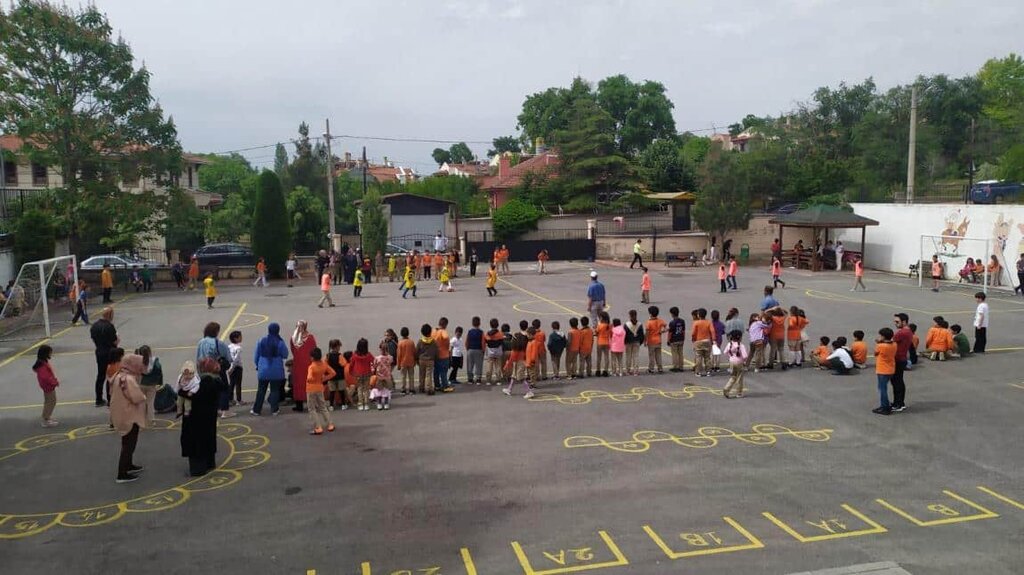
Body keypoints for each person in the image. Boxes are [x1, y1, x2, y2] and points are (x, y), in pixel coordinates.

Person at [180, 357, 221, 476]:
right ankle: (209, 462)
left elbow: (186, 394)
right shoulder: (216, 381)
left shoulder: (199, 384)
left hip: (195, 418)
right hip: (209, 416)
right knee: (208, 439)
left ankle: (197, 468)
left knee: (195, 443)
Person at [110, 352, 147, 483]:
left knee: (127, 442)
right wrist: (143, 397)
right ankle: (122, 473)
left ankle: (128, 465)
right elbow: (136, 397)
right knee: (129, 444)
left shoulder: (118, 375)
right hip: (129, 415)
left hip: (121, 414)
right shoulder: (128, 379)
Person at [196, 321, 233, 418]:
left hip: (204, 370)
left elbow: (198, 357)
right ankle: (225, 410)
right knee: (223, 388)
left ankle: (213, 409)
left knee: (210, 390)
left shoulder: (201, 342)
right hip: (216, 370)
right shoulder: (218, 343)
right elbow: (228, 357)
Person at [252, 323, 288, 416]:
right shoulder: (280, 342)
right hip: (276, 370)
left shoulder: (261, 341)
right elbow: (285, 355)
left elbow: (256, 356)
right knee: (275, 390)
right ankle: (274, 409)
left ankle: (256, 410)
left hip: (263, 370)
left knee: (261, 390)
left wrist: (258, 365)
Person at [90, 307, 119, 406]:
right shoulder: (110, 326)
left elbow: (93, 339)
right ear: (110, 315)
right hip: (110, 352)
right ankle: (110, 398)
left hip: (99, 351)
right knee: (110, 375)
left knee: (100, 375)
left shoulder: (94, 326)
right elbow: (115, 341)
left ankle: (98, 398)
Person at [305, 347, 336, 434]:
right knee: (322, 407)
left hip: (311, 389)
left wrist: (310, 380)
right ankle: (330, 424)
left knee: (312, 408)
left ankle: (318, 427)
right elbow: (333, 373)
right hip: (320, 387)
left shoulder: (311, 367)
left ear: (312, 357)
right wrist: (324, 379)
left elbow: (309, 378)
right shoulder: (324, 365)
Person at [290, 321, 317, 412]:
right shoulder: (310, 338)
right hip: (309, 364)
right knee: (310, 383)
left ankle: (299, 405)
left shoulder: (293, 339)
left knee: (298, 383)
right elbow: (314, 349)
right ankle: (311, 404)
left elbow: (293, 350)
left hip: (298, 364)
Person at [503, 323, 533, 398]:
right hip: (521, 361)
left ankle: (529, 392)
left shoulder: (515, 351)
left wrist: (506, 366)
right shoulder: (522, 349)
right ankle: (509, 389)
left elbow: (511, 359)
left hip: (519, 363)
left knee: (521, 377)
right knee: (514, 376)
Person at [136, 345, 164, 426]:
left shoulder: (138, 361)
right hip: (151, 384)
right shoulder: (154, 361)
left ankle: (141, 419)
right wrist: (159, 382)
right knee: (150, 402)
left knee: (142, 402)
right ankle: (151, 420)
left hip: (141, 383)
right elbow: (159, 371)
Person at [33, 344, 59, 428]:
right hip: (48, 386)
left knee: (49, 401)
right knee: (51, 401)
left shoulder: (43, 362)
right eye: (50, 352)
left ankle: (47, 417)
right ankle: (45, 420)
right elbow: (45, 377)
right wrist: (54, 382)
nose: (51, 354)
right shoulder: (42, 364)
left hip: (48, 385)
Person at [891, 313, 912, 412]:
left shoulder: (901, 333)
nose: (895, 323)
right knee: (899, 381)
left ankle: (898, 403)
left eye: (897, 322)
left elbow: (890, 341)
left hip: (898, 359)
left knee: (896, 382)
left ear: (904, 321)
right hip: (902, 358)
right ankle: (899, 402)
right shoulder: (908, 331)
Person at [873, 328, 896, 415]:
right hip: (891, 368)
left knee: (882, 389)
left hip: (882, 370)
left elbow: (875, 353)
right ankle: (884, 405)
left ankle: (885, 407)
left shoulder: (881, 346)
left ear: (883, 336)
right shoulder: (894, 344)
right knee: (883, 388)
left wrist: (879, 343)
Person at [722, 330, 748, 398]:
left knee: (733, 377)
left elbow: (725, 352)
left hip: (732, 362)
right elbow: (745, 356)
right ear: (740, 338)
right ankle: (739, 393)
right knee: (739, 378)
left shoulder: (729, 344)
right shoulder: (741, 345)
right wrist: (744, 362)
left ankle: (726, 389)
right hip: (739, 363)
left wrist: (730, 356)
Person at [349, 338, 374, 410]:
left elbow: (351, 364)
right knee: (366, 388)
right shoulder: (368, 355)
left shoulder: (355, 355)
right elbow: (374, 361)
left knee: (359, 388)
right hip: (367, 373)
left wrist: (351, 371)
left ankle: (360, 403)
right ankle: (366, 403)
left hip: (358, 374)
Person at [691, 308, 715, 377]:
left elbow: (693, 333)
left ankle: (698, 371)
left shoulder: (696, 323)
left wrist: (693, 339)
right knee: (707, 357)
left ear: (698, 315)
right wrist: (713, 339)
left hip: (698, 341)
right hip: (707, 340)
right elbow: (712, 331)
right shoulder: (709, 322)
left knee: (698, 357)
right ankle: (708, 371)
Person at [415, 324, 438, 395]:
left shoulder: (420, 341)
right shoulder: (433, 341)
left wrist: (416, 359)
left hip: (421, 360)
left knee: (421, 374)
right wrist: (435, 358)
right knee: (429, 375)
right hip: (430, 360)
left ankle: (421, 387)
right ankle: (429, 388)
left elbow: (417, 351)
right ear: (430, 332)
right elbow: (436, 351)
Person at [645, 306, 667, 374]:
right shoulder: (660, 321)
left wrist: (645, 340)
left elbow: (647, 333)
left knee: (651, 355)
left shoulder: (649, 322)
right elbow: (666, 327)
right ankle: (660, 368)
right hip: (658, 340)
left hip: (651, 341)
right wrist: (662, 331)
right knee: (658, 355)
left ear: (650, 314)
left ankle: (651, 368)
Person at [432, 318, 452, 393]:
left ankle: (437, 385)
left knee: (436, 371)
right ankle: (445, 386)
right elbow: (446, 337)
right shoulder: (443, 331)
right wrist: (447, 345)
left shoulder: (434, 331)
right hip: (443, 355)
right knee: (443, 372)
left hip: (436, 355)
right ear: (445, 324)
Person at [225, 331, 244, 407]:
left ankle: (230, 399)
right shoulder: (238, 348)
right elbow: (236, 359)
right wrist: (232, 368)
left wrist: (230, 368)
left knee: (232, 383)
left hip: (230, 366)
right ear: (236, 339)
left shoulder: (229, 347)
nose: (241, 338)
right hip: (237, 367)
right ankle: (239, 400)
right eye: (240, 336)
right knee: (238, 384)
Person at [326, 339, 346, 408]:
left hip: (331, 377)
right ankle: (343, 404)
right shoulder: (340, 356)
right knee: (341, 391)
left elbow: (325, 364)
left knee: (332, 391)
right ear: (337, 347)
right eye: (339, 346)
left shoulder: (327, 356)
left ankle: (331, 405)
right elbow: (343, 364)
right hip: (340, 376)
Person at [484, 319, 505, 385]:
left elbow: (486, 341)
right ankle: (498, 380)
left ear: (490, 325)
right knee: (498, 366)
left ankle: (488, 380)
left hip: (490, 352)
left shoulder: (487, 334)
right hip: (498, 352)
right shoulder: (500, 333)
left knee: (489, 366)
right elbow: (501, 342)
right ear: (497, 325)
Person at [624, 310, 644, 376]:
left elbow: (625, 334)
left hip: (628, 342)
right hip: (637, 341)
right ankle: (636, 371)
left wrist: (624, 342)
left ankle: (627, 370)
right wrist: (640, 342)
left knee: (628, 356)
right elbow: (642, 335)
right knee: (636, 356)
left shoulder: (626, 325)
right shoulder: (639, 324)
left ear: (630, 316)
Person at [396, 328, 416, 394]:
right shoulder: (411, 342)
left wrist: (398, 364)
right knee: (411, 376)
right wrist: (415, 361)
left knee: (403, 376)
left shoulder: (400, 343)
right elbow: (414, 352)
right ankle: (411, 389)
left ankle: (403, 389)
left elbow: (399, 355)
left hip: (403, 362)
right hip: (411, 361)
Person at [465, 317, 484, 385]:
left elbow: (466, 341)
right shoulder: (481, 332)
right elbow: (482, 342)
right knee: (479, 365)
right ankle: (478, 378)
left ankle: (470, 379)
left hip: (470, 350)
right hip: (478, 349)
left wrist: (468, 349)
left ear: (472, 323)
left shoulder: (470, 331)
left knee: (470, 365)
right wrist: (483, 350)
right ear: (479, 323)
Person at [667, 307, 686, 373]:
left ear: (672, 314)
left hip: (674, 339)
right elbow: (683, 331)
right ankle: (681, 366)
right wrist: (683, 338)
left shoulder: (672, 322)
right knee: (680, 353)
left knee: (674, 353)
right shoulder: (682, 321)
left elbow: (670, 332)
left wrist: (668, 340)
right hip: (680, 338)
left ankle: (675, 366)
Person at [595, 312, 611, 377]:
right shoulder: (609, 325)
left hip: (600, 342)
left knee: (599, 357)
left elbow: (596, 332)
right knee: (606, 357)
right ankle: (605, 370)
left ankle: (598, 370)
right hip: (606, 342)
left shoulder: (600, 325)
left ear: (602, 318)